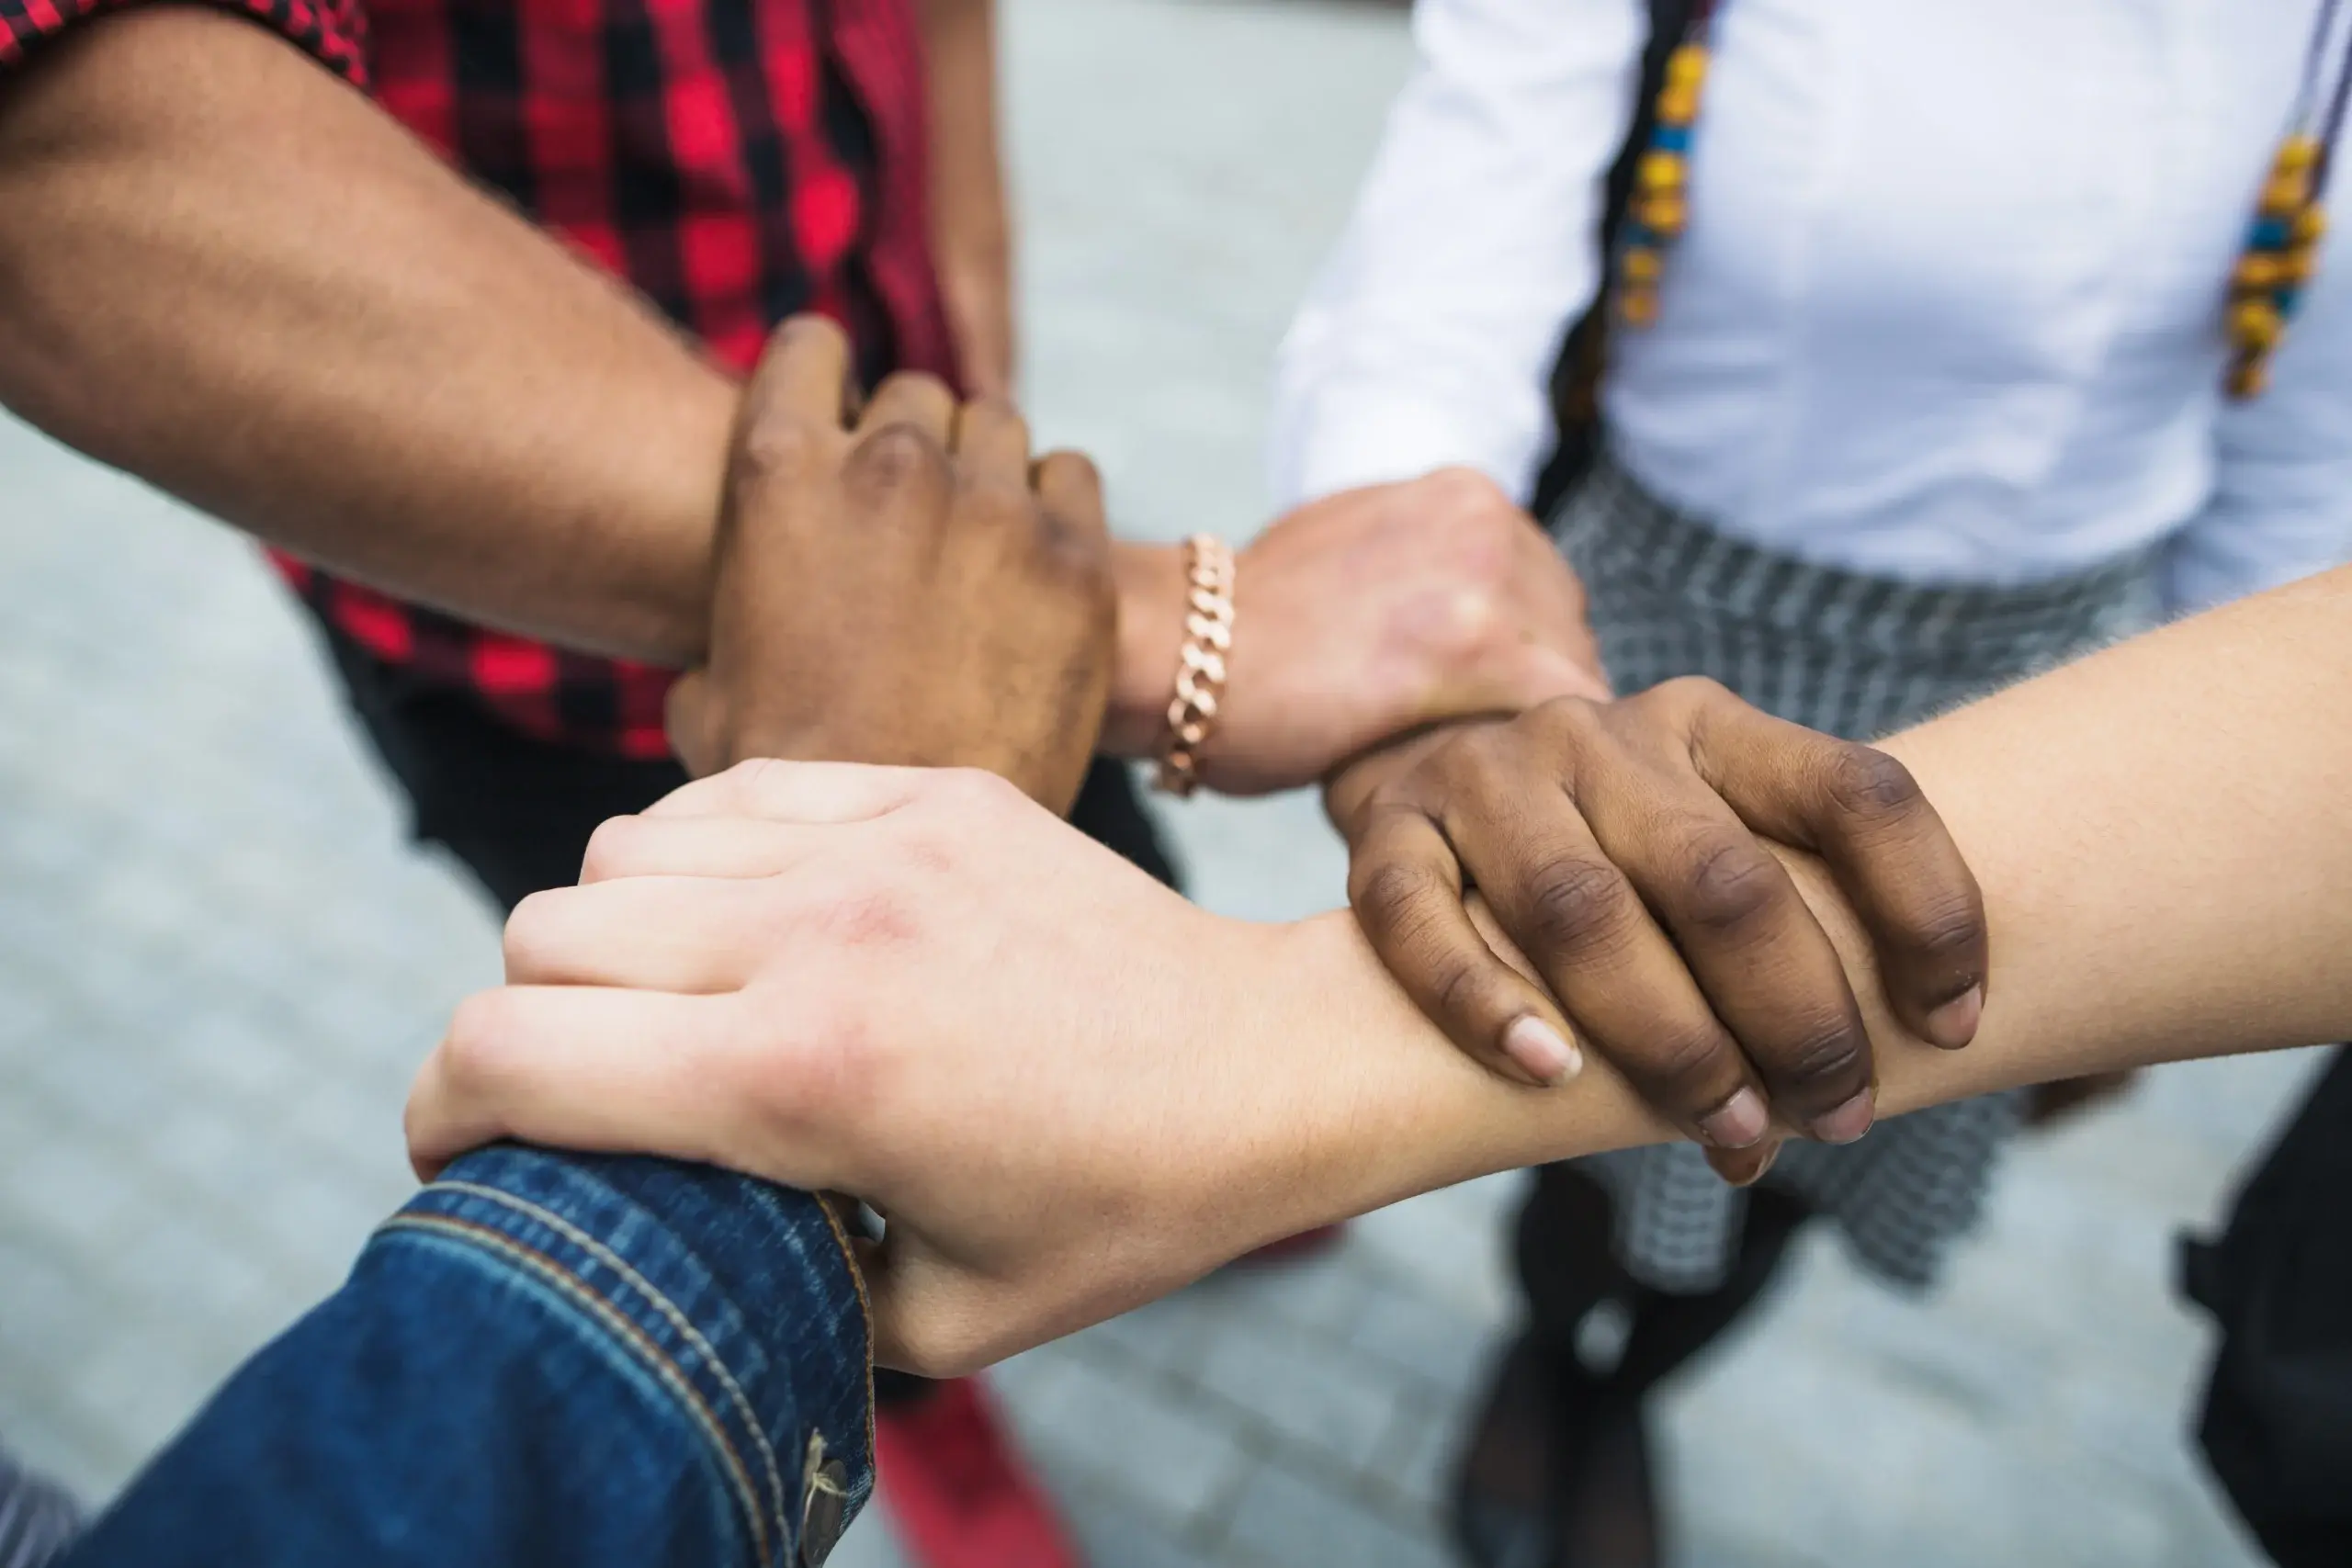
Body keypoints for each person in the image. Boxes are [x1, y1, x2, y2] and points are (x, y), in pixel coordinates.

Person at [0, 0, 1609, 1552]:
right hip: (526, 625)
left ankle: (1141, 1144)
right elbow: (69, 156)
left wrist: (970, 288)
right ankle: (898, 1371)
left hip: (917, 450)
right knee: (783, 1058)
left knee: (1075, 893)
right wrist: (1162, 622)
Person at [38, 324, 1992, 1568]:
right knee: (785, 992)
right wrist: (1046, 702)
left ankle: (1526, 1360)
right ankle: (897, 1362)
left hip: (917, 509)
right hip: (603, 632)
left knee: (1061, 899)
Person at [1269, 0, 2352, 1557]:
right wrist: (1410, 653)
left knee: (1829, 1146)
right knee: (1596, 1111)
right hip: (1651, 652)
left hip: (2035, 704)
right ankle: (1549, 1341)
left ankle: (1631, 1389)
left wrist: (2206, 837)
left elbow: (2297, 456)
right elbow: (1451, 260)